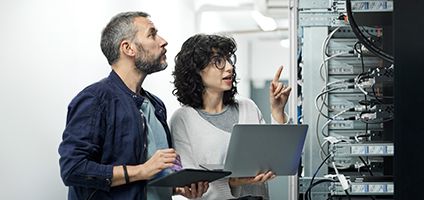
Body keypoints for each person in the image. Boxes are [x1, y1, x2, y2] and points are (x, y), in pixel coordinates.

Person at [58, 12, 208, 200]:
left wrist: (175, 188)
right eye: (152, 34)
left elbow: (149, 179)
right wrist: (141, 171)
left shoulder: (156, 105)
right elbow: (73, 169)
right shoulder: (95, 99)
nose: (163, 41)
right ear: (128, 48)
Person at [170, 34, 292, 199]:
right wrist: (232, 182)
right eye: (218, 61)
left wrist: (277, 110)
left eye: (229, 60)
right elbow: (191, 186)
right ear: (196, 70)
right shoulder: (183, 119)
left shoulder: (248, 107)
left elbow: (276, 157)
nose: (229, 67)